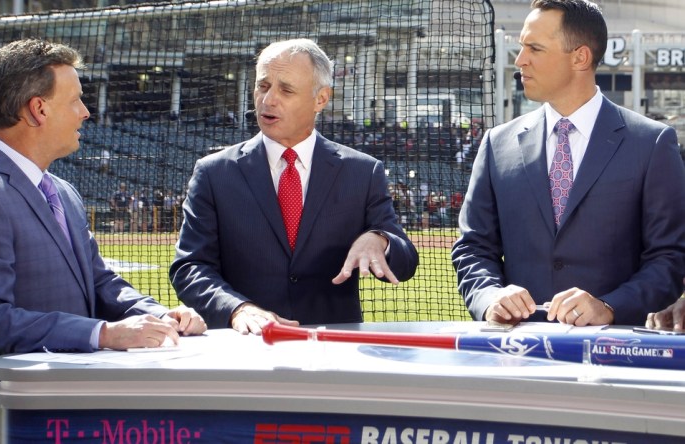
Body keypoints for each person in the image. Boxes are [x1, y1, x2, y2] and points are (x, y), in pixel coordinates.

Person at [0, 39, 207, 444]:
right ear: (38, 109)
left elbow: (98, 281)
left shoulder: (62, 190)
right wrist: (103, 333)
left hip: (52, 416)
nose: (86, 112)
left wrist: (158, 315)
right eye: (75, 100)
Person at [452, 0, 685, 327]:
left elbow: (669, 259)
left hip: (613, 356)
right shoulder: (497, 144)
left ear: (580, 57)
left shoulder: (651, 143)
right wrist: (490, 296)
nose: (520, 60)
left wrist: (608, 307)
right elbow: (473, 248)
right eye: (522, 47)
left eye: (535, 48)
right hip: (515, 355)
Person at [170, 38, 418, 334]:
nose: (268, 99)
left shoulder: (362, 171)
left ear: (321, 99)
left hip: (335, 352)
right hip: (244, 351)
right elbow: (190, 267)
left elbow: (405, 262)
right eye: (263, 86)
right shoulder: (214, 172)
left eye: (285, 89)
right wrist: (237, 308)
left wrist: (380, 239)